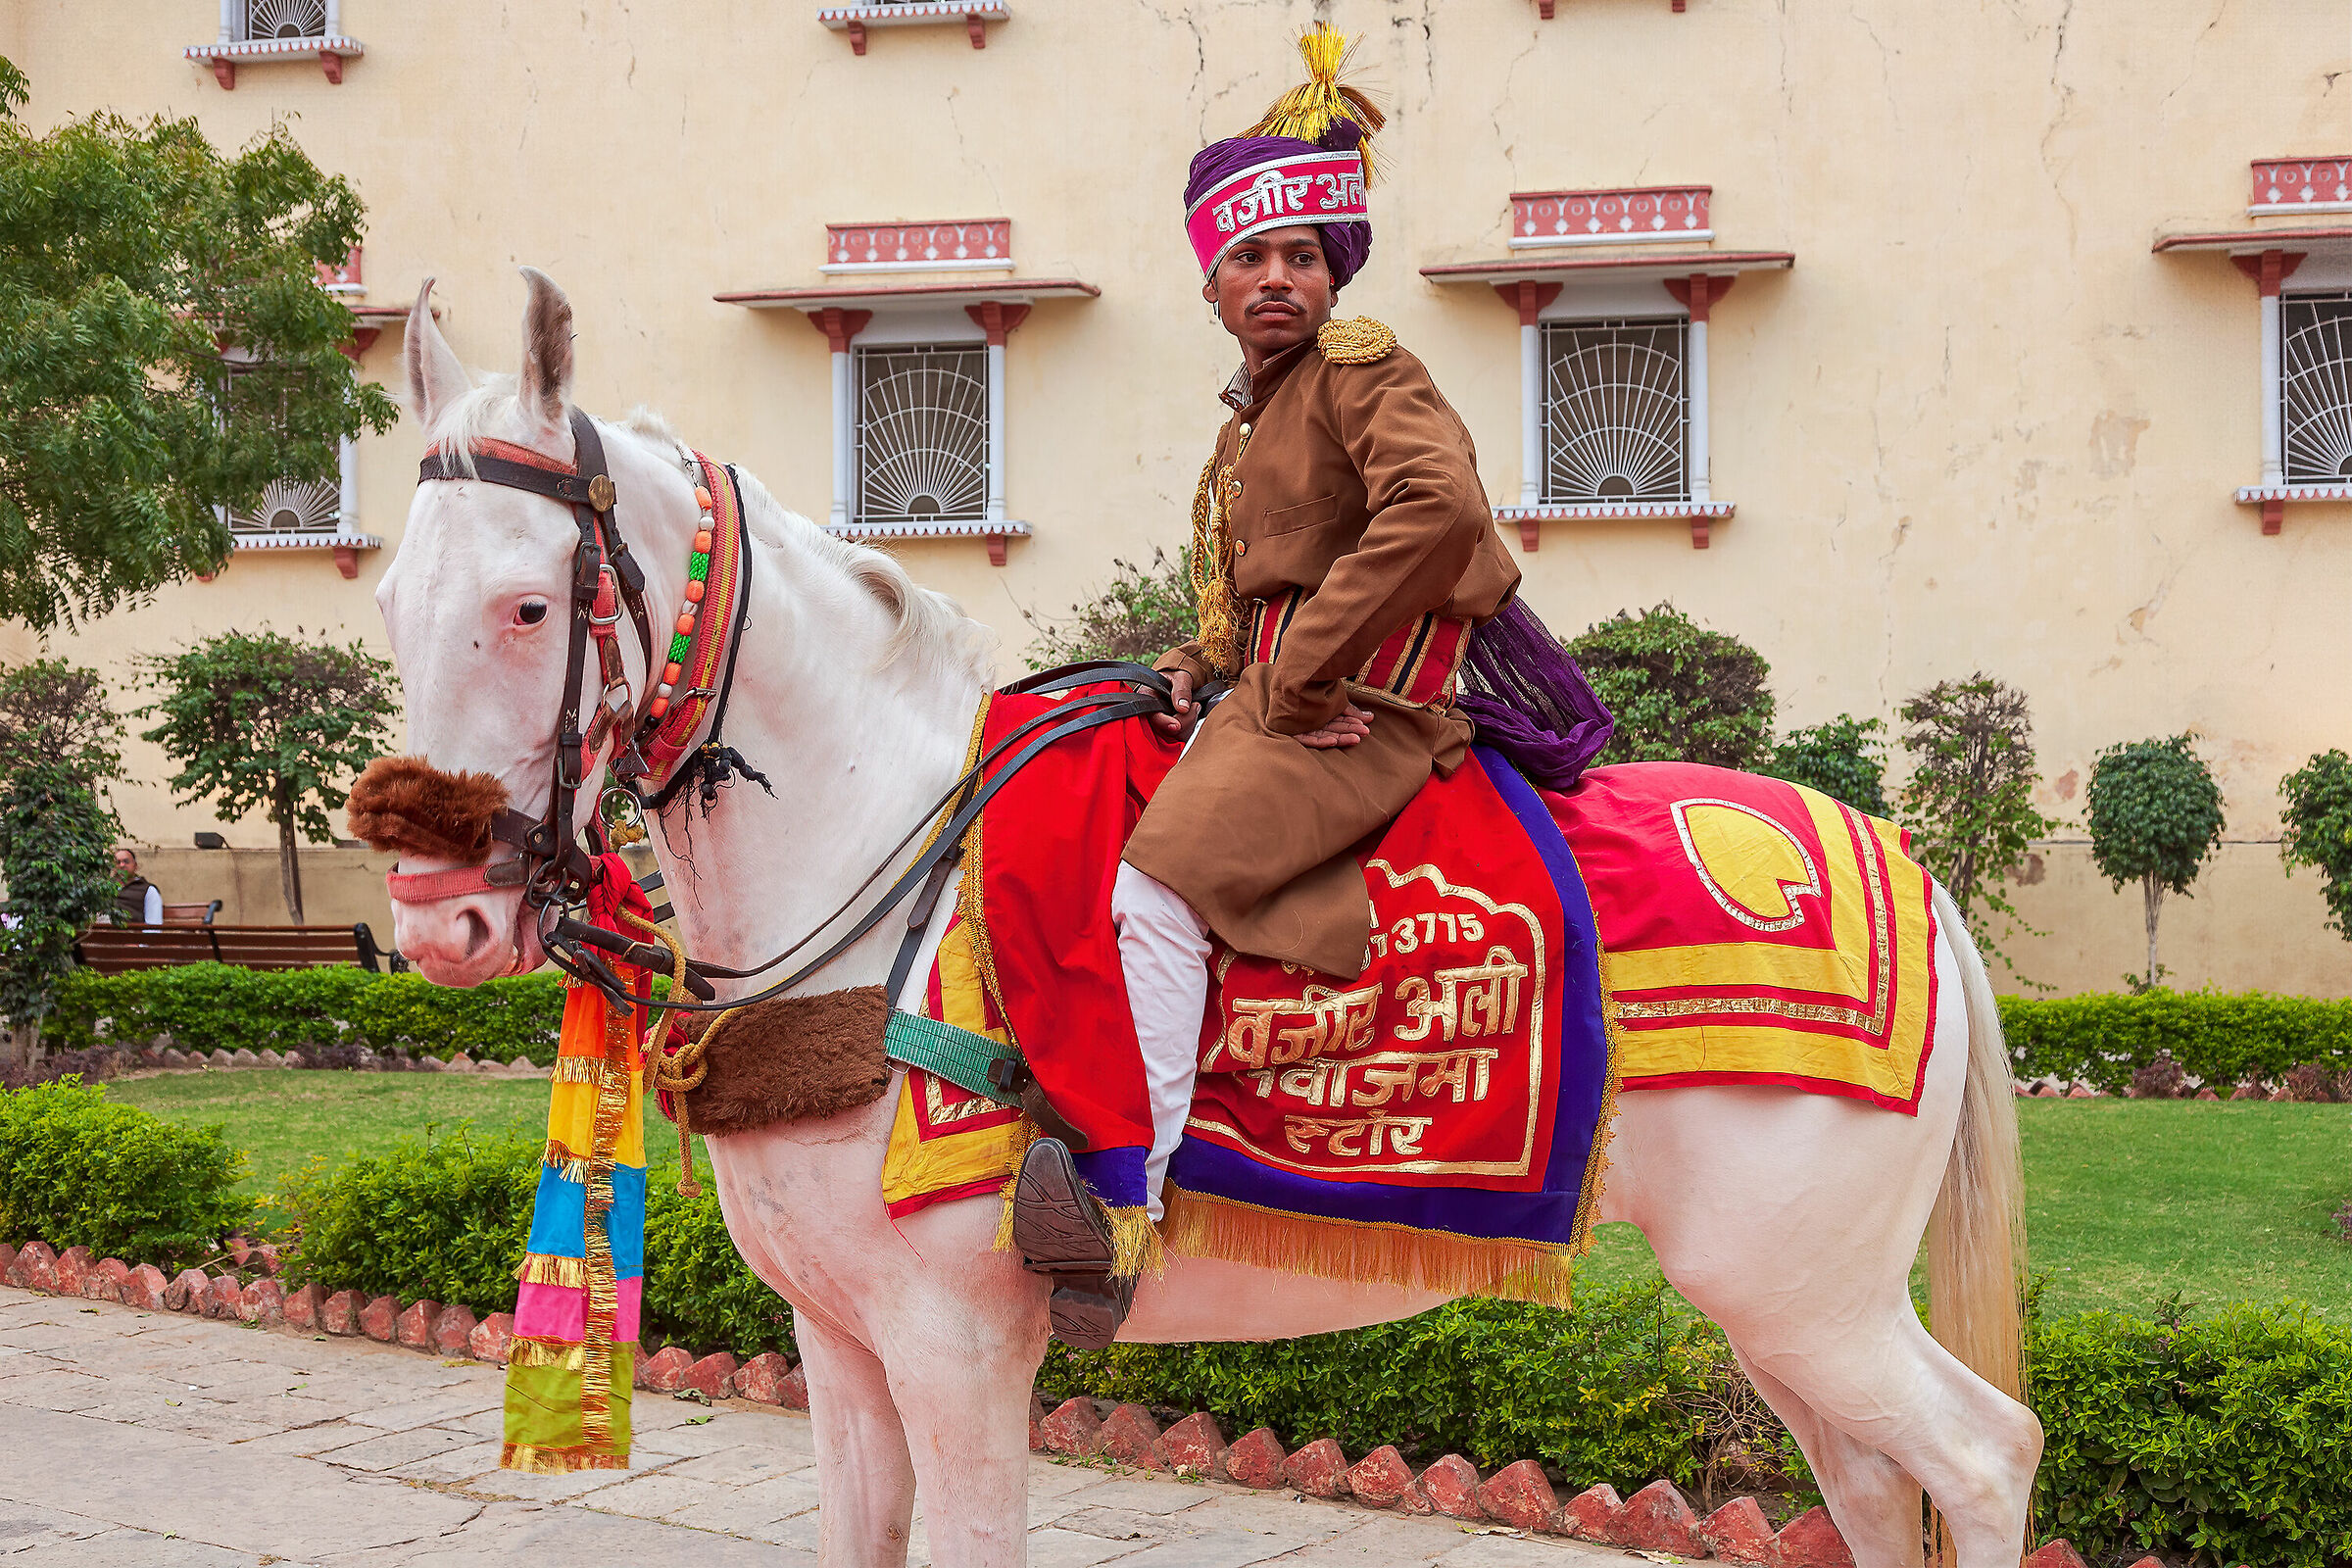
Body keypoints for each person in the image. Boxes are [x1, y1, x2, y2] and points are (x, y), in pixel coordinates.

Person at [1009, 24, 1522, 1346]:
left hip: (1366, 704)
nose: (1277, 278)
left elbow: (1441, 505)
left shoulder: (1365, 374)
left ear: (1335, 269)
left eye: (1302, 255)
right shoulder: (1254, 418)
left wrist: (1296, 675)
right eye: (1250, 257)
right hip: (1281, 695)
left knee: (1154, 881)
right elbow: (1251, 605)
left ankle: (1134, 1199)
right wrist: (1197, 669)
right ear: (1212, 282)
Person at [113, 847, 163, 925]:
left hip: (134, 935)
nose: (122, 865)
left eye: (126, 861)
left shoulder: (149, 890)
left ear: (135, 866)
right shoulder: (104, 888)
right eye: (118, 862)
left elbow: (153, 926)